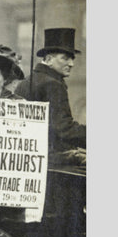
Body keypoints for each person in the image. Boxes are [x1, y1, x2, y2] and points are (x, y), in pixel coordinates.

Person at [15, 28, 86, 165]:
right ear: (48, 59)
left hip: (27, 157)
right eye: (65, 58)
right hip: (50, 159)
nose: (71, 64)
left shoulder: (28, 81)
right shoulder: (52, 84)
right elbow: (64, 129)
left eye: (72, 58)